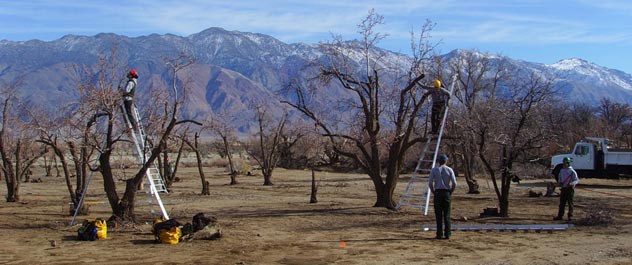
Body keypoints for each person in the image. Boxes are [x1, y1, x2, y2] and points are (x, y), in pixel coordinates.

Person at [428, 154, 457, 239]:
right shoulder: (449, 169)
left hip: (437, 193)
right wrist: (450, 191)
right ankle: (448, 234)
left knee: (438, 214)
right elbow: (454, 183)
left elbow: (430, 183)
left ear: (438, 161)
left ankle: (439, 234)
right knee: (447, 214)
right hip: (446, 193)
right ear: (446, 161)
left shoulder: (434, 170)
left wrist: (433, 191)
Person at [554, 157, 579, 221]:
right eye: (564, 163)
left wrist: (572, 183)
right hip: (563, 189)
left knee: (570, 203)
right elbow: (560, 179)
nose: (564, 164)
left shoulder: (572, 171)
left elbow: (576, 180)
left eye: (566, 163)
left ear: (568, 163)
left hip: (570, 189)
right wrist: (559, 183)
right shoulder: (561, 171)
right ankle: (560, 216)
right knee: (562, 203)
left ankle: (570, 216)